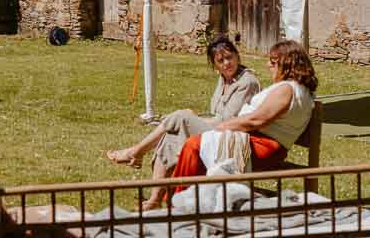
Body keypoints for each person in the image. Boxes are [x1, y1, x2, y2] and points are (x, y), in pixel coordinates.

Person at [162, 39, 317, 207]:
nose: (268, 65)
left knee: (194, 145)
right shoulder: (296, 89)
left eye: (273, 62)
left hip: (262, 146)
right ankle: (192, 202)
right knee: (197, 144)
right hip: (258, 142)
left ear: (287, 63)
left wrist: (225, 126)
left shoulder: (286, 89)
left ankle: (178, 205)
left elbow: (256, 120)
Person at [104, 35, 261, 181]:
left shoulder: (247, 82)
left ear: (237, 56)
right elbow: (216, 113)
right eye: (221, 61)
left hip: (230, 136)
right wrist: (196, 117)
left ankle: (136, 152)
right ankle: (155, 197)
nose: (226, 63)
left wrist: (194, 119)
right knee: (170, 136)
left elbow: (228, 121)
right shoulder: (225, 78)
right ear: (215, 65)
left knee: (180, 116)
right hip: (216, 129)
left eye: (229, 57)